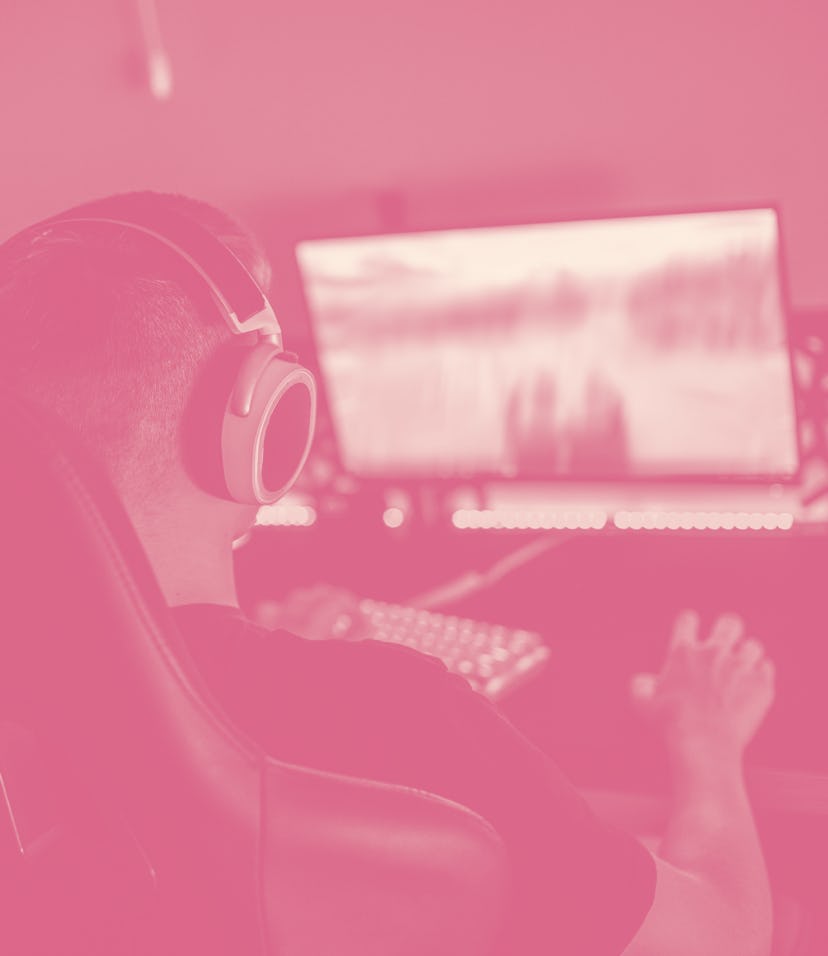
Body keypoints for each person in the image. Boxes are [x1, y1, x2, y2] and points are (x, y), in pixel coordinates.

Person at [0, 191, 776, 956]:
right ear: (263, 422)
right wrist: (705, 738)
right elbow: (727, 939)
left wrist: (264, 655)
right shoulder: (391, 711)